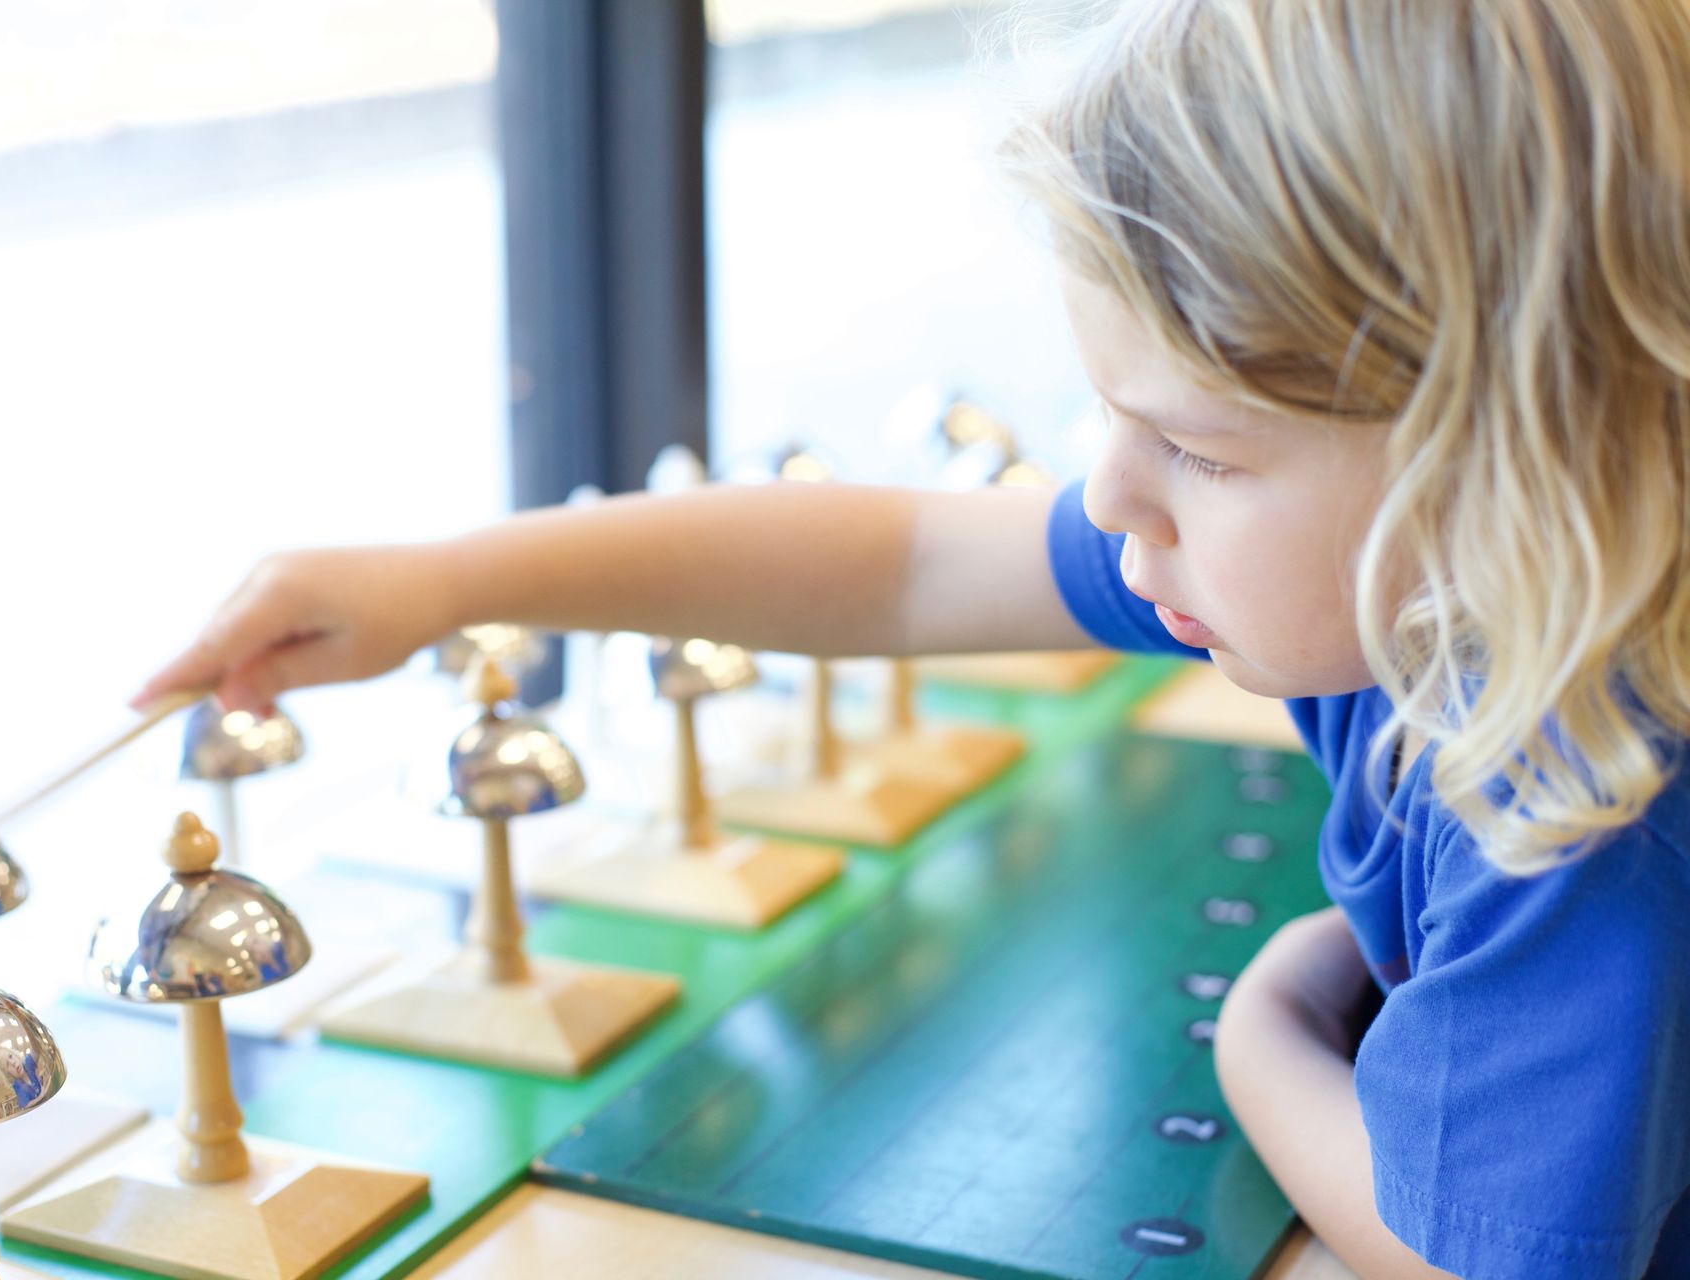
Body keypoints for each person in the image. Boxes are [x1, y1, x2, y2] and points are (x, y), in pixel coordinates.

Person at [132, 2, 1690, 1274]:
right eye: (1107, 412)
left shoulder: (1574, 787)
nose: (1108, 490)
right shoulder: (1417, 595)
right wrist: (448, 581)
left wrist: (1269, 1038)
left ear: (1505, 459)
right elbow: (906, 560)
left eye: (1199, 450)